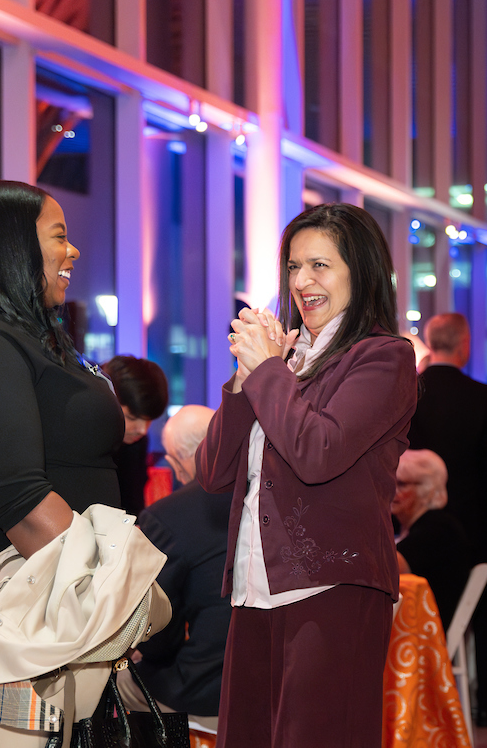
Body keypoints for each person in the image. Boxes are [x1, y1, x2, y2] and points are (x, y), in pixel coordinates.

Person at [197, 202, 417, 748]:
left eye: (320, 265)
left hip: (332, 583)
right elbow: (213, 471)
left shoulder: (383, 357)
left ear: (359, 271)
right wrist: (246, 375)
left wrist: (268, 371)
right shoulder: (287, 359)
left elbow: (318, 452)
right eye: (294, 267)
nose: (302, 281)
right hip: (256, 585)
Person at [0, 180, 125, 629]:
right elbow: (21, 498)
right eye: (58, 236)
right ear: (13, 246)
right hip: (9, 599)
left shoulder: (31, 338)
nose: (74, 251)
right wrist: (106, 587)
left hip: (54, 589)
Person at [406, 312, 487, 726]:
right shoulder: (483, 398)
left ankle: (420, 703)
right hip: (473, 528)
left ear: (430, 344)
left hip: (415, 531)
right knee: (484, 612)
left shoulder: (410, 394)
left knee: (418, 610)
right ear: (465, 345)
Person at [121, 404, 227, 732]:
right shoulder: (267, 498)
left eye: (171, 456)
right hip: (269, 687)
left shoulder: (170, 516)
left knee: (110, 682)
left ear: (184, 455)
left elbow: (155, 623)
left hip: (204, 695)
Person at [392, 449, 471, 627]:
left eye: (402, 484)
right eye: (390, 482)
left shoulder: (439, 528)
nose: (392, 490)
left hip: (424, 631)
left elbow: (389, 569)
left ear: (426, 490)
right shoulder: (417, 526)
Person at [103, 354, 169, 515]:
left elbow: (134, 505)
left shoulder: (137, 442)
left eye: (148, 421)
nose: (142, 430)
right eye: (132, 418)